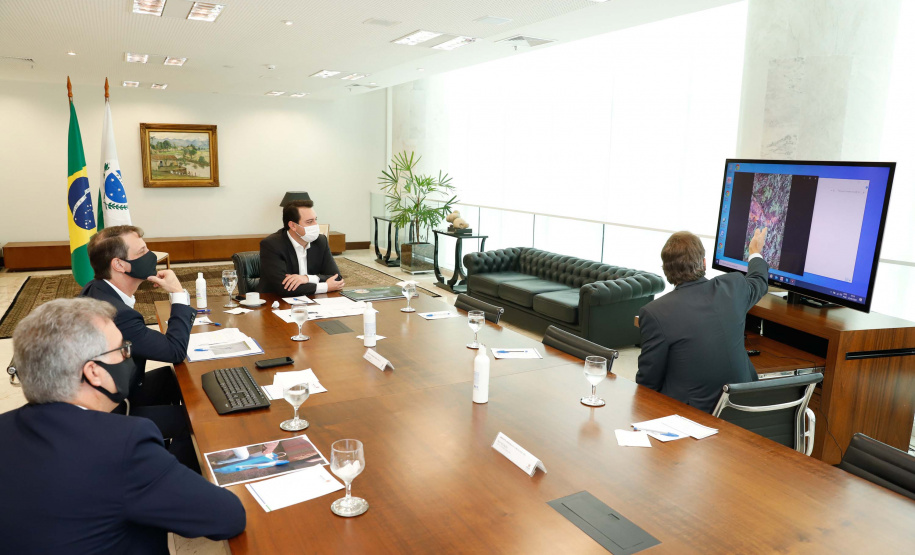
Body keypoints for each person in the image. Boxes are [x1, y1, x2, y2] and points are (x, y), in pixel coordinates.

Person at [0, 298, 245, 554]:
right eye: (121, 350)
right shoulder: (122, 443)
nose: (128, 357)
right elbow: (227, 516)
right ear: (93, 372)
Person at [80, 225, 198, 470]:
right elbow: (174, 351)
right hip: (110, 413)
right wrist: (178, 293)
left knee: (171, 380)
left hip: (116, 388)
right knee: (194, 420)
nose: (151, 256)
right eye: (142, 251)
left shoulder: (97, 288)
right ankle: (170, 477)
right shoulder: (117, 313)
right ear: (119, 265)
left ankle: (153, 452)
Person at [635, 228, 769, 413]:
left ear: (666, 270)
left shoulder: (655, 312)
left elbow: (648, 383)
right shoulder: (734, 286)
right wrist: (754, 251)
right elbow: (759, 280)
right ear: (704, 263)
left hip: (691, 416)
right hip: (743, 408)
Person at [258, 199, 345, 296]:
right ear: (293, 225)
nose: (316, 225)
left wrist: (307, 278)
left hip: (311, 298)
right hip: (275, 299)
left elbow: (337, 278)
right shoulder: (272, 245)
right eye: (309, 222)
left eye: (315, 220)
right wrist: (326, 286)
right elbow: (285, 288)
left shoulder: (320, 241)